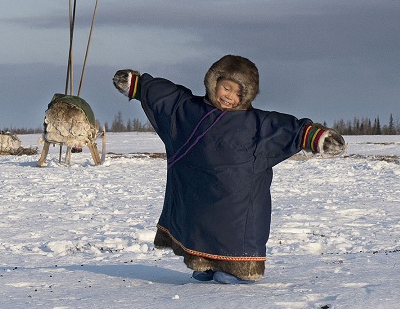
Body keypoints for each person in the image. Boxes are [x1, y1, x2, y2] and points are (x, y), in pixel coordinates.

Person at [112, 54, 345, 284]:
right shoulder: (188, 111)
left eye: (238, 93)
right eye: (226, 88)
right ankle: (203, 263)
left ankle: (238, 270)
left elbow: (287, 129)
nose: (230, 97)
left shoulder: (256, 125)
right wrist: (137, 85)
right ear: (214, 82)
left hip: (238, 202)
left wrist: (318, 138)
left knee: (234, 231)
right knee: (198, 222)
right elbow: (165, 98)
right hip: (198, 193)